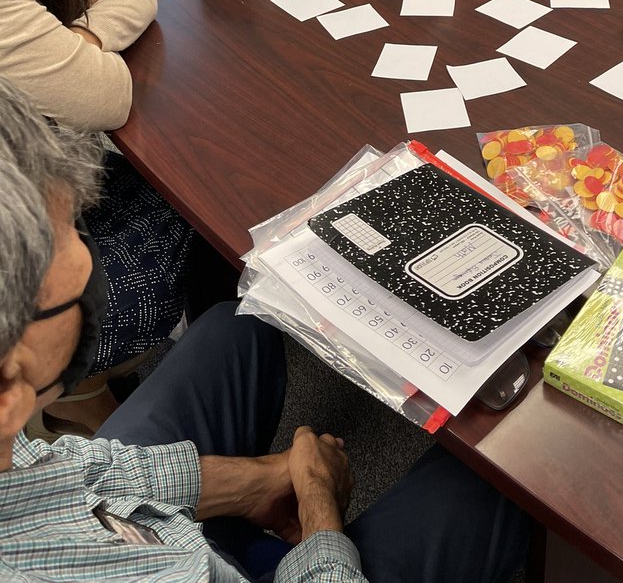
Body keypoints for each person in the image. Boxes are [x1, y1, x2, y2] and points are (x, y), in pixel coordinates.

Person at [0, 77, 530, 583]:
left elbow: (58, 475)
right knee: (497, 474)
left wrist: (255, 482)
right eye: (71, 243)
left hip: (136, 523)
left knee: (234, 328)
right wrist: (320, 506)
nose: (89, 257)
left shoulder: (10, 441)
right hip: (185, 564)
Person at [0, 0, 193, 434]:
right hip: (25, 266)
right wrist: (91, 36)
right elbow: (107, 93)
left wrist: (79, 32)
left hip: (48, 187)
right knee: (193, 203)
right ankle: (85, 381)